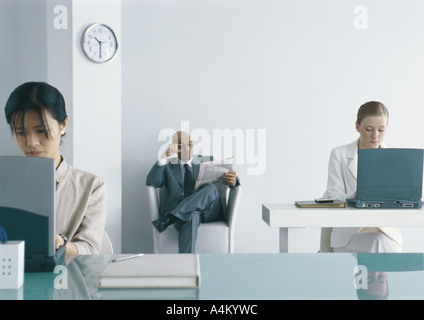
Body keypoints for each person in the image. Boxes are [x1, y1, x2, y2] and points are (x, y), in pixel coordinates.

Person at [4, 81, 107, 256]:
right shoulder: (4, 181)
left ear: (63, 125)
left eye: (41, 131)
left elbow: (91, 250)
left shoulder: (91, 186)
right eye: (21, 132)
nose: (31, 142)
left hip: (66, 280)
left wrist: (61, 244)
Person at [324, 101, 402, 253]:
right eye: (369, 129)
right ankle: (380, 277)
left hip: (387, 233)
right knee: (377, 244)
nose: (375, 136)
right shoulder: (339, 154)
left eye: (381, 130)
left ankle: (376, 277)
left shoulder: (394, 155)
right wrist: (353, 196)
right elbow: (332, 197)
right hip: (350, 235)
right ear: (357, 127)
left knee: (380, 241)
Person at [146, 131, 239, 253]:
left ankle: (170, 217)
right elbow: (152, 182)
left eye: (189, 144)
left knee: (210, 188)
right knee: (191, 215)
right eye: (181, 146)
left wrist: (233, 180)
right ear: (174, 148)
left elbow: (230, 180)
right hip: (188, 215)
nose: (187, 149)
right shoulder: (169, 165)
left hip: (210, 210)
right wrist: (163, 157)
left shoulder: (207, 160)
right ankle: (186, 264)